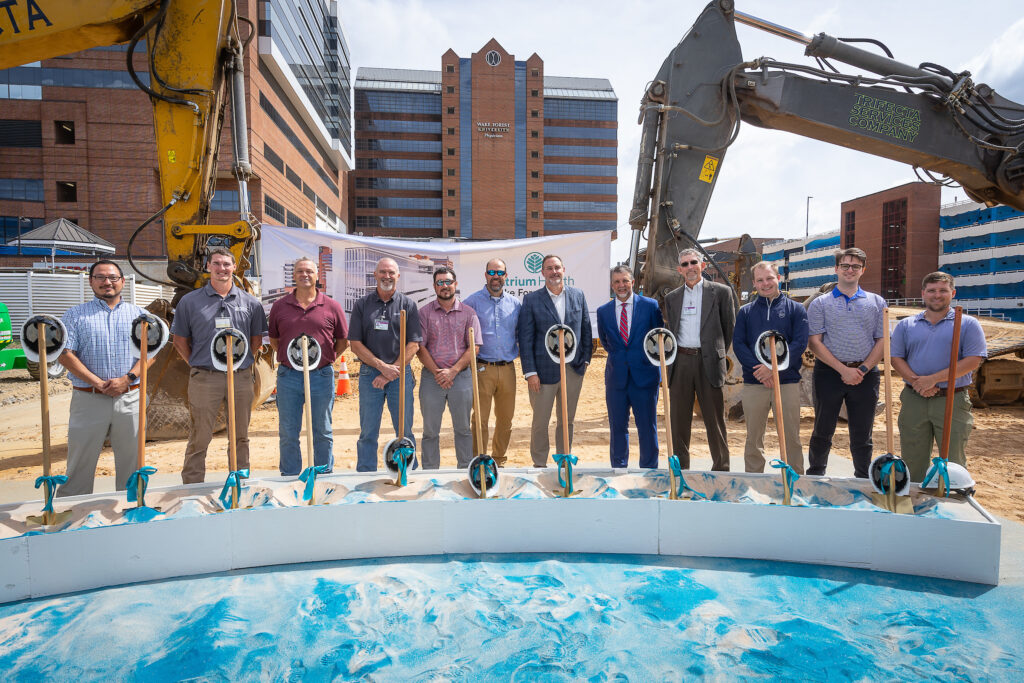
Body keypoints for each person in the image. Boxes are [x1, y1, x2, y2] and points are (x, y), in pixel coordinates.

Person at [171, 247, 268, 484]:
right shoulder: (189, 302)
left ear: (234, 267)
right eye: (216, 263)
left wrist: (241, 362)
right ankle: (193, 486)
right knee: (200, 435)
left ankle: (239, 482)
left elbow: (256, 340)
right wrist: (197, 363)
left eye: (226, 264)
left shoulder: (251, 303)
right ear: (208, 267)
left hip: (240, 378)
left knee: (240, 435)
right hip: (206, 377)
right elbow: (179, 340)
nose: (221, 269)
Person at [56, 260, 150, 496]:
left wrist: (128, 378)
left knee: (132, 460)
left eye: (112, 277)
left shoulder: (140, 316)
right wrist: (97, 383)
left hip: (129, 398)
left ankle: (131, 505)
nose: (107, 282)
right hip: (89, 399)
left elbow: (151, 353)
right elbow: (65, 354)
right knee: (80, 460)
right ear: (91, 281)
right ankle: (73, 510)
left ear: (122, 281)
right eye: (100, 277)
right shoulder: (75, 315)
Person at [891, 272, 987, 482]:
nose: (937, 295)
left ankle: (951, 498)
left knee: (953, 460)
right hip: (914, 399)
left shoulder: (968, 324)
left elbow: (972, 361)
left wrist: (932, 379)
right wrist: (918, 383)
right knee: (913, 458)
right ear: (923, 293)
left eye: (943, 290)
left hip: (952, 399)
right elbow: (896, 358)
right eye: (932, 290)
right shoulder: (906, 325)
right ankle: (914, 497)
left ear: (953, 293)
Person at [806, 248, 885, 478]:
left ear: (863, 270)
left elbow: (882, 341)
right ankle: (816, 475)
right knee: (822, 430)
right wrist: (843, 370)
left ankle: (863, 478)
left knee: (862, 433)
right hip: (829, 374)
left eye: (855, 266)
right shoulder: (820, 303)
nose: (850, 270)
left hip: (865, 375)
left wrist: (862, 369)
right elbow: (814, 342)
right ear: (836, 269)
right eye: (845, 266)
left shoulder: (876, 302)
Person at [267, 256, 348, 476]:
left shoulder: (332, 306)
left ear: (317, 276)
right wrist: (292, 359)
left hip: (321, 376)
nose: (305, 275)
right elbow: (274, 340)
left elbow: (342, 341)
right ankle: (290, 477)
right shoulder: (279, 306)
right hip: (289, 376)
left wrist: (324, 359)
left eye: (309, 271)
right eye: (300, 271)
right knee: (288, 432)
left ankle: (322, 475)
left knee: (322, 430)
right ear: (293, 275)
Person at [662, 249, 736, 470]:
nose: (690, 267)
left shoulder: (721, 292)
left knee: (715, 420)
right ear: (679, 270)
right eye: (685, 264)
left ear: (703, 265)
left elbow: (728, 329)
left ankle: (721, 469)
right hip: (681, 362)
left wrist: (714, 353)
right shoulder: (672, 298)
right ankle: (680, 470)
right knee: (679, 422)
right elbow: (672, 329)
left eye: (693, 262)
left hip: (709, 363)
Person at [732, 261, 808, 474]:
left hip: (786, 382)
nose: (765, 284)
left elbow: (799, 343)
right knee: (754, 437)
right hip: (755, 382)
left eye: (769, 278)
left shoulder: (796, 309)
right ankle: (754, 479)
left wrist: (774, 369)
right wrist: (760, 370)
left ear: (778, 278)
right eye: (760, 280)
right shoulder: (745, 312)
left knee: (791, 437)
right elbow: (739, 344)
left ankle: (794, 480)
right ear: (754, 283)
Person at [517, 254, 593, 466]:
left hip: (573, 369)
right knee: (540, 421)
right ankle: (539, 463)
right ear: (542, 273)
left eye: (557, 267)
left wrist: (586, 360)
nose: (554, 272)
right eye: (549, 268)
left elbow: (586, 329)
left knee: (567, 420)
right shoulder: (532, 300)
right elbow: (525, 338)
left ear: (564, 270)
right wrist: (530, 372)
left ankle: (564, 461)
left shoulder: (578, 295)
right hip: (542, 373)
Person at [348, 257, 422, 471]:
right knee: (368, 431)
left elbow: (414, 345)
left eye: (391, 272)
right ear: (375, 275)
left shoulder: (408, 305)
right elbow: (355, 344)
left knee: (404, 430)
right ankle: (366, 473)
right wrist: (382, 368)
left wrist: (392, 371)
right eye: (382, 272)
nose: (386, 276)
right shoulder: (362, 305)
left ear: (398, 276)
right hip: (370, 376)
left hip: (400, 376)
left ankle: (408, 472)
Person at [596, 265, 663, 468]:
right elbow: (606, 342)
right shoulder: (603, 311)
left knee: (647, 427)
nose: (621, 285)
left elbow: (658, 338)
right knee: (617, 428)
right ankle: (619, 469)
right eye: (617, 282)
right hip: (616, 379)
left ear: (633, 282)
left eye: (625, 280)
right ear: (611, 285)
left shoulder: (650, 306)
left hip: (645, 377)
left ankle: (649, 471)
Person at [416, 267, 482, 469]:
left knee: (463, 429)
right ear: (434, 286)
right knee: (430, 431)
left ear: (455, 284)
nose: (445, 286)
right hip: (432, 378)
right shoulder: (424, 313)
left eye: (448, 282)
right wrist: (438, 372)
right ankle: (430, 471)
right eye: (440, 283)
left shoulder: (469, 313)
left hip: (461, 378)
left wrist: (452, 371)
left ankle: (464, 469)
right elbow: (420, 347)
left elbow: (474, 347)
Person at [463, 258, 521, 466]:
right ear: (485, 275)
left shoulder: (515, 304)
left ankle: (499, 460)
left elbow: (521, 335)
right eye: (492, 272)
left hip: (508, 369)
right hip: (482, 368)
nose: (496, 277)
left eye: (500, 273)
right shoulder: (471, 303)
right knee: (480, 419)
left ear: (506, 276)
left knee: (506, 419)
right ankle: (479, 461)